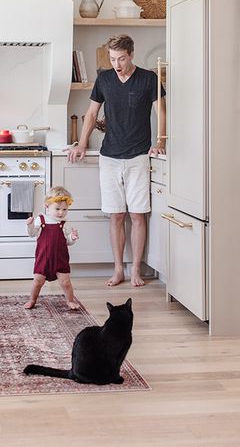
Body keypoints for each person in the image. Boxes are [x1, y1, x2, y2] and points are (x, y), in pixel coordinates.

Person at [68, 34, 166, 288]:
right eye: (113, 59)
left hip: (139, 156)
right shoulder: (105, 79)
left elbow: (162, 111)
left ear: (131, 54)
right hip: (109, 156)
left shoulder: (149, 78)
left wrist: (161, 142)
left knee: (137, 215)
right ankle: (118, 269)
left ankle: (136, 270)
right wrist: (81, 143)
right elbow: (92, 113)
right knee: (115, 215)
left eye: (121, 58)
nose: (117, 64)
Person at [25, 186, 80, 310]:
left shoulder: (64, 223)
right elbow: (32, 233)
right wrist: (30, 226)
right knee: (37, 281)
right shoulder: (41, 219)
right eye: (57, 209)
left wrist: (72, 237)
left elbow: (67, 242)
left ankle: (70, 300)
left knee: (65, 282)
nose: (61, 212)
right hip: (43, 259)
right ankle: (32, 300)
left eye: (65, 209)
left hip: (60, 259)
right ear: (47, 206)